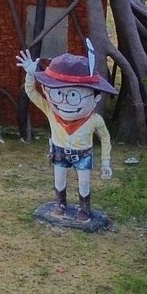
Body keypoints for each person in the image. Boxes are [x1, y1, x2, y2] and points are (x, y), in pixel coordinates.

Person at [16, 43, 115, 220]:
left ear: (96, 97)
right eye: (58, 94)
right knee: (59, 179)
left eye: (74, 96)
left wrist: (106, 162)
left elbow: (105, 138)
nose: (65, 103)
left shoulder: (94, 120)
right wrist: (31, 74)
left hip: (83, 155)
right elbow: (31, 93)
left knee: (84, 183)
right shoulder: (50, 110)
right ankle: (60, 202)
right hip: (59, 152)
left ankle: (84, 207)